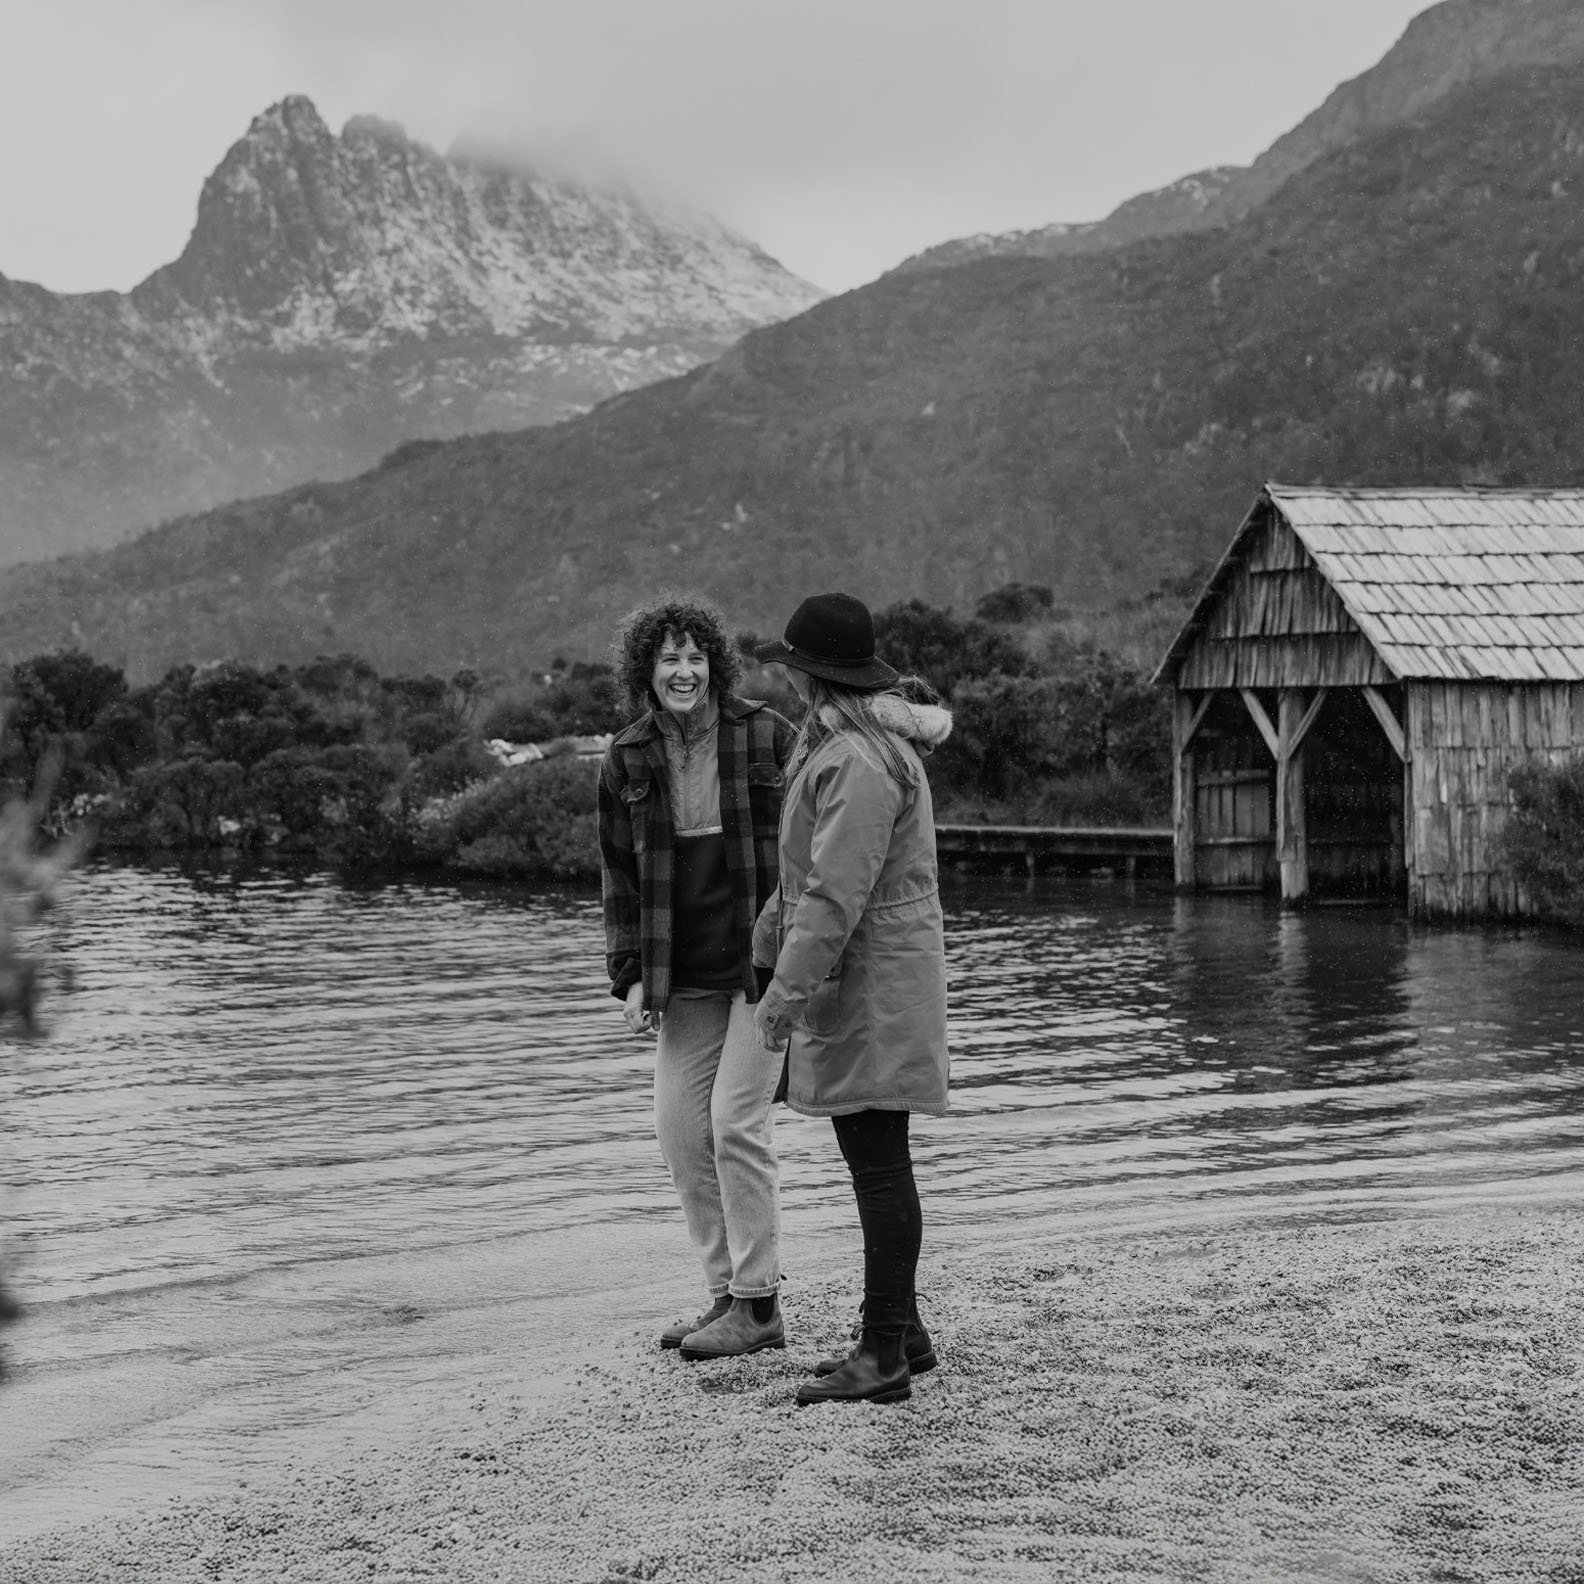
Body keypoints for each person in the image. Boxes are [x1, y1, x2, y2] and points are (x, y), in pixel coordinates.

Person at [751, 591, 952, 1406]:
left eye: (795, 669)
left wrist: (780, 1000)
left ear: (811, 676)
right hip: (876, 977)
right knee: (876, 1156)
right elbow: (805, 882)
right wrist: (767, 949)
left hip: (875, 984)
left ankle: (883, 1356)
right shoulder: (851, 748)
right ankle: (901, 1333)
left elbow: (834, 897)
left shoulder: (857, 762)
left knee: (877, 1163)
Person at [598, 596, 795, 1360]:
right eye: (668, 659)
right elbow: (619, 879)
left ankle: (758, 1304)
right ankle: (724, 1294)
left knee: (735, 1124)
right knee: (681, 1132)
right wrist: (632, 977)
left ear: (715, 663)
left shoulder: (766, 736)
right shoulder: (627, 757)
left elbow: (806, 853)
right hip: (684, 977)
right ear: (645, 671)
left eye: (695, 657)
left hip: (762, 969)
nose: (684, 672)